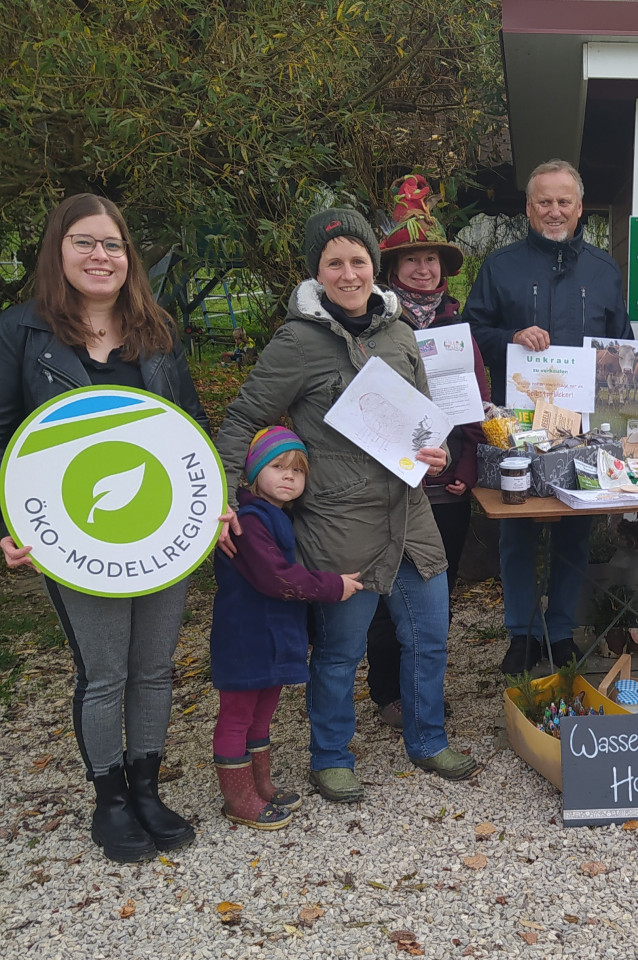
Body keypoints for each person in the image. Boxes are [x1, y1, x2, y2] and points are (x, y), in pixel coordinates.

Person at [216, 207, 477, 801]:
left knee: (430, 634)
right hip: (339, 520)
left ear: (372, 266)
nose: (349, 273)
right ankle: (330, 755)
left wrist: (434, 452)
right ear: (318, 272)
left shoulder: (399, 332)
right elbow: (242, 419)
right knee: (339, 651)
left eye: (358, 260)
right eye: (335, 263)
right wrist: (225, 501)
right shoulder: (297, 342)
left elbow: (425, 420)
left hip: (410, 516)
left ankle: (427, 740)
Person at [0, 194, 204, 862]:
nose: (101, 256)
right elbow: (5, 436)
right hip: (73, 533)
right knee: (105, 671)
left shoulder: (159, 332)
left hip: (161, 528)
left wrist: (213, 503)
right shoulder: (21, 332)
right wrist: (5, 524)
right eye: (85, 243)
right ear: (58, 251)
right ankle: (109, 801)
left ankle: (147, 787)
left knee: (154, 669)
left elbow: (189, 431)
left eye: (112, 244)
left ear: (128, 257)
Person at [463, 159, 632, 675]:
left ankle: (559, 631)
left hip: (581, 424)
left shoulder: (604, 270)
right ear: (529, 208)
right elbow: (471, 334)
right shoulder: (500, 266)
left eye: (564, 201)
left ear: (580, 209)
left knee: (573, 526)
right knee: (516, 527)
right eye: (543, 202)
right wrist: (508, 338)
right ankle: (520, 633)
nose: (554, 211)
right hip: (515, 422)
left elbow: (620, 347)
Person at [365, 174, 490, 728]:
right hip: (387, 483)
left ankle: (424, 690)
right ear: (392, 269)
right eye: (412, 260)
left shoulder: (458, 324)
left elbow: (477, 408)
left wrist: (464, 468)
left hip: (445, 488)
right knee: (386, 589)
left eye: (432, 260)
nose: (423, 269)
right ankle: (388, 691)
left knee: (435, 592)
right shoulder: (372, 327)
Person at [211, 427, 363, 828]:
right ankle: (238, 798)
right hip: (245, 635)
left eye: (298, 471)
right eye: (277, 466)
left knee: (262, 715)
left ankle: (260, 785)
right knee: (237, 716)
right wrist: (334, 585)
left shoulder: (276, 517)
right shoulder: (247, 521)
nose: (288, 477)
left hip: (275, 635)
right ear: (252, 471)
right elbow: (275, 577)